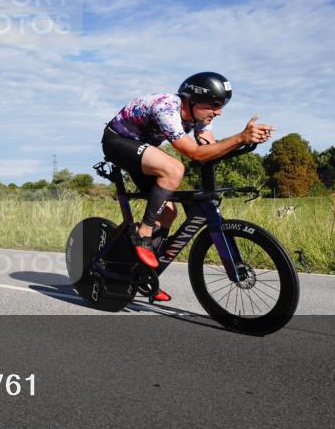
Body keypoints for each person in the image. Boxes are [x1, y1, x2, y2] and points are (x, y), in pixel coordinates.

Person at [102, 72, 274, 301]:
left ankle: (141, 272)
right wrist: (240, 137)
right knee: (174, 169)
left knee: (168, 211)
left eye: (222, 105)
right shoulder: (167, 107)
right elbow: (193, 153)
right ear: (191, 100)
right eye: (214, 105)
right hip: (118, 142)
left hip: (143, 148)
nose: (219, 111)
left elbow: (207, 150)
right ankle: (142, 232)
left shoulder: (201, 116)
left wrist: (245, 142)